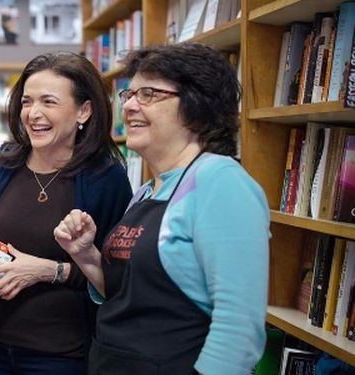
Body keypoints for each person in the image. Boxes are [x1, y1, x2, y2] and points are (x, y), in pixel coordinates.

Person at [53, 42, 269, 374]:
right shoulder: (145, 192)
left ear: (198, 105)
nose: (129, 107)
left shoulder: (221, 183)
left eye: (149, 95)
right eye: (129, 95)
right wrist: (85, 255)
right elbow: (124, 295)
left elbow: (239, 329)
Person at [0, 51, 133, 375]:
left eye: (48, 102)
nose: (33, 114)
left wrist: (50, 270)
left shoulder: (105, 179)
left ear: (84, 111)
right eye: (27, 102)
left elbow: (117, 279)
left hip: (62, 357)